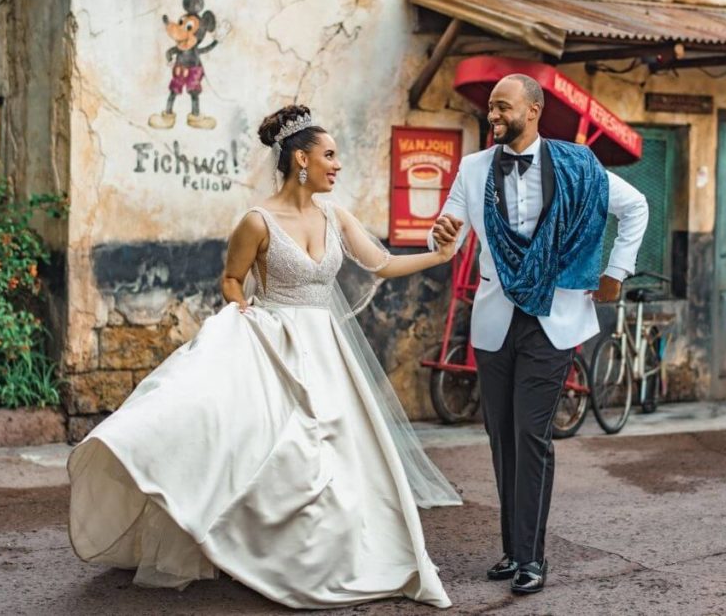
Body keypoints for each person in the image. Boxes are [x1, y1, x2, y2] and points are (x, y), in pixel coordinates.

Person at [68, 105, 464, 610]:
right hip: (274, 343)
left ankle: (335, 555)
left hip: (328, 350)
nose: (337, 164)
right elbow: (232, 280)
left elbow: (381, 264)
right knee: (283, 452)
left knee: (341, 456)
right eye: (330, 154)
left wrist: (439, 254)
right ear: (301, 159)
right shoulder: (256, 222)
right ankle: (266, 552)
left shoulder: (335, 216)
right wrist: (244, 313)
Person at [430, 74, 648, 595]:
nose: (493, 115)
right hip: (495, 318)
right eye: (490, 108)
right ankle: (513, 550)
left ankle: (532, 557)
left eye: (503, 106)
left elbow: (635, 206)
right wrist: (438, 230)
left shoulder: (578, 165)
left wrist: (617, 272)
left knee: (532, 434)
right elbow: (448, 226)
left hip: (554, 317)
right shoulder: (473, 167)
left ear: (534, 110)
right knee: (501, 435)